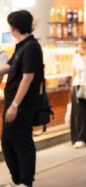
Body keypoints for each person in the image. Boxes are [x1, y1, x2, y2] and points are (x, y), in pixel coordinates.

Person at [0, 10, 45, 187]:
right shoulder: (22, 46)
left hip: (22, 105)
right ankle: (18, 180)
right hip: (14, 104)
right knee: (7, 141)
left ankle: (25, 182)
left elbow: (28, 78)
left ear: (13, 28)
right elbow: (8, 67)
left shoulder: (31, 47)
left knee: (22, 142)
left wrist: (15, 105)